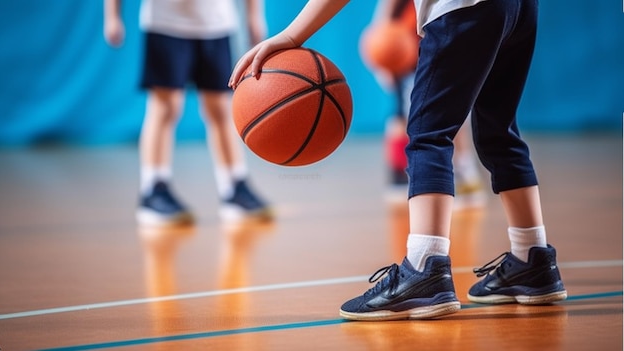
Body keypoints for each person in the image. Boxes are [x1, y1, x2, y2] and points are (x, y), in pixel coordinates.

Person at [229, 0, 567, 321]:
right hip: (520, 9)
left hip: (460, 8)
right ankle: (532, 258)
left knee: (428, 135)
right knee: (499, 131)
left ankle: (425, 267)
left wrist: (291, 36)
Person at [103, 0, 272, 226]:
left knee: (221, 108)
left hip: (217, 23)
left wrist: (254, 15)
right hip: (167, 23)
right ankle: (153, 189)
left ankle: (234, 186)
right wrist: (112, 15)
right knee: (165, 107)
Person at [368, 0, 485, 209]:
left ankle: (464, 175)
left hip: (435, 51)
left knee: (446, 118)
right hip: (407, 59)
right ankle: (400, 176)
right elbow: (380, 28)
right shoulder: (393, 18)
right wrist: (383, 63)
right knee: (403, 118)